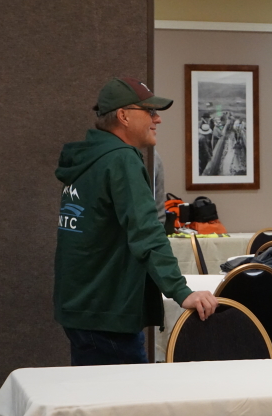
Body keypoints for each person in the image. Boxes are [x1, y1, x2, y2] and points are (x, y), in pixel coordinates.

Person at [54, 77, 218, 366]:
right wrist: (181, 292)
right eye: (150, 112)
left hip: (84, 308)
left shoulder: (91, 159)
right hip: (108, 315)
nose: (158, 120)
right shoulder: (120, 160)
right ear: (124, 116)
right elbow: (147, 232)